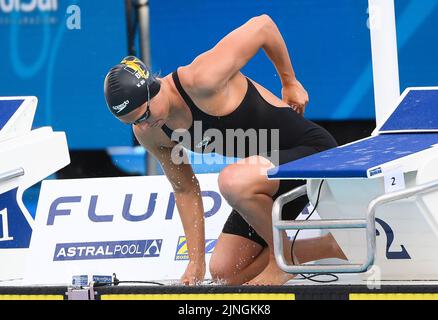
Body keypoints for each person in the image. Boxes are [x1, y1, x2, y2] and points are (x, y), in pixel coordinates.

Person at [104, 14, 347, 286]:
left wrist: (289, 81)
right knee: (226, 272)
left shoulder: (202, 79)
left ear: (154, 88)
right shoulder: (151, 132)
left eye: (145, 114)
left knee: (232, 180)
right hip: (268, 183)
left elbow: (263, 26)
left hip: (312, 155)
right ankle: (333, 246)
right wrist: (195, 263)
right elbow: (185, 188)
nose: (144, 123)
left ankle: (283, 259)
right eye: (135, 122)